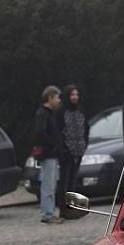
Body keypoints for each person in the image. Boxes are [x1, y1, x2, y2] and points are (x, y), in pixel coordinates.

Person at [56, 84, 89, 219]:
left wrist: (84, 144)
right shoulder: (61, 111)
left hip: (78, 150)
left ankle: (72, 208)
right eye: (72, 95)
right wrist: (62, 148)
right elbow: (58, 131)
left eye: (76, 94)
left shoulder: (81, 111)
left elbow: (86, 128)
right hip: (66, 151)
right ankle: (63, 209)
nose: (75, 97)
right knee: (64, 182)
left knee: (73, 182)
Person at [33, 85, 63, 224]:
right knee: (48, 185)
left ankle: (50, 212)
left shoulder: (50, 113)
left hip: (52, 153)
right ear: (50, 97)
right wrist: (53, 143)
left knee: (51, 184)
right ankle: (47, 214)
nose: (58, 100)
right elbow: (40, 132)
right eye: (57, 97)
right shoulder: (43, 113)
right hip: (48, 154)